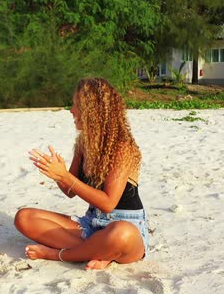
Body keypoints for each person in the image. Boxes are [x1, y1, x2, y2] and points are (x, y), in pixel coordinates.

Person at [15, 77, 150, 270]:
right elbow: (70, 191)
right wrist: (56, 173)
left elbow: (108, 203)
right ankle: (103, 252)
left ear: (92, 111)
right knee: (24, 217)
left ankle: (60, 254)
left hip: (126, 227)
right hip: (91, 224)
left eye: (76, 105)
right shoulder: (84, 144)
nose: (71, 110)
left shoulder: (123, 147)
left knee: (120, 233)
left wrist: (64, 176)